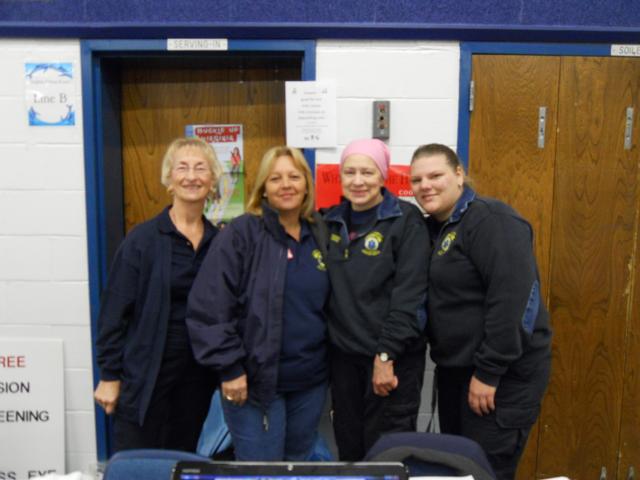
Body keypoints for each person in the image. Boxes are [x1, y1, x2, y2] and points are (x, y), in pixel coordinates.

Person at [409, 143, 552, 480]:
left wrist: (489, 372)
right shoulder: (436, 227)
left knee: (485, 471)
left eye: (435, 175)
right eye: (416, 180)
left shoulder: (491, 220)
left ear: (459, 175)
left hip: (500, 377)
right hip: (457, 372)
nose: (425, 185)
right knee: (459, 470)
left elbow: (515, 301)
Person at [187, 146, 330, 461]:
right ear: (263, 187)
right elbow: (209, 308)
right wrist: (229, 368)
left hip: (309, 382)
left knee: (299, 467)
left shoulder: (318, 232)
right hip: (254, 384)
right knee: (260, 470)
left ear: (307, 183)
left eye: (294, 176)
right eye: (275, 178)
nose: (286, 184)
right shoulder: (241, 234)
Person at [94, 137, 223, 452]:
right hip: (146, 376)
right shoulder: (143, 240)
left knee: (185, 460)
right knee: (140, 461)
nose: (191, 176)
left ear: (212, 180)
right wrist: (109, 375)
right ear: (169, 179)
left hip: (198, 378)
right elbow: (113, 313)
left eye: (200, 168)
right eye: (182, 167)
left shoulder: (220, 243)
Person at [323, 138, 429, 461]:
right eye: (350, 172)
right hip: (344, 363)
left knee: (387, 455)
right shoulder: (328, 221)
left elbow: (410, 296)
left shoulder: (405, 221)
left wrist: (385, 355)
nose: (358, 181)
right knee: (351, 452)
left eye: (367, 172)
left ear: (383, 176)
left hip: (390, 362)